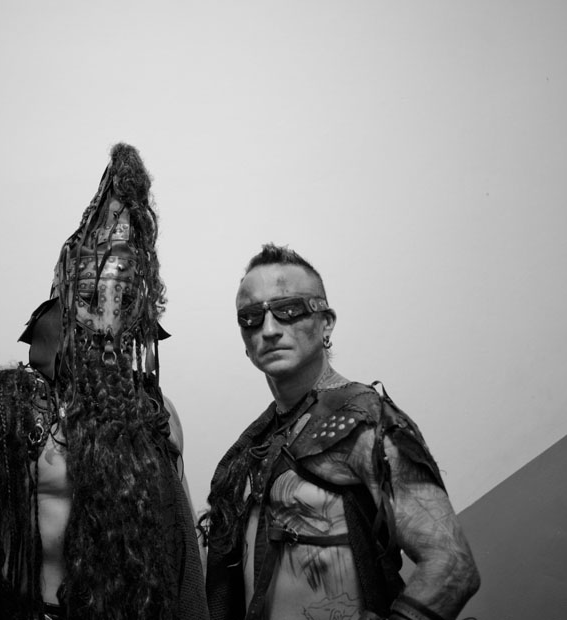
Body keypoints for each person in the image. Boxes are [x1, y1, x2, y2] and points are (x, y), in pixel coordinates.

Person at [0, 144, 208, 620]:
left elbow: (182, 558)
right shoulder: (5, 409)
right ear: (64, 294)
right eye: (90, 297)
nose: (106, 319)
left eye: (124, 301)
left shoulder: (158, 416)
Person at [201, 244, 480, 620]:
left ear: (326, 322)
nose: (268, 330)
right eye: (251, 317)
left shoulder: (364, 421)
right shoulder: (254, 445)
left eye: (288, 310)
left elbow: (453, 566)